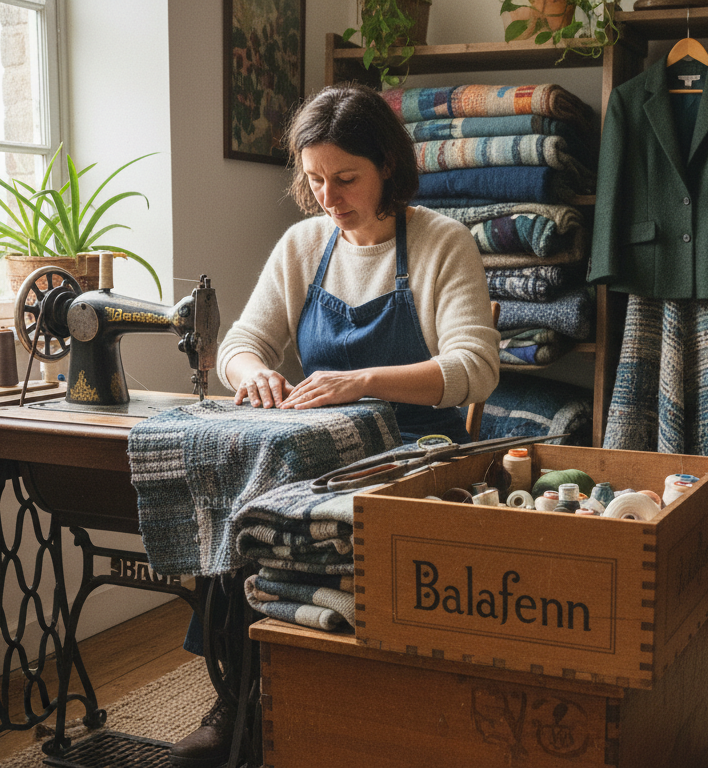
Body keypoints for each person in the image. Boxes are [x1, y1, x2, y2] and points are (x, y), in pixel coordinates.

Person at [168, 83, 500, 767]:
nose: (329, 195)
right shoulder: (304, 244)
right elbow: (238, 345)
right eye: (315, 179)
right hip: (323, 453)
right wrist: (251, 372)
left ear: (388, 166)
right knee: (242, 509)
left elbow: (476, 367)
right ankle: (239, 698)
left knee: (305, 517)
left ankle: (353, 705)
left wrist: (360, 382)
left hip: (419, 450)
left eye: (346, 178)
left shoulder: (443, 244)